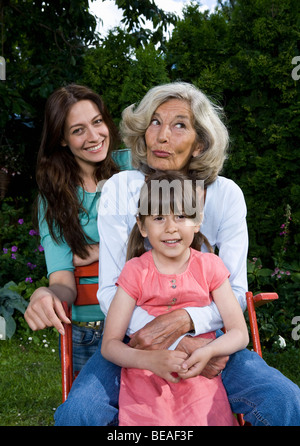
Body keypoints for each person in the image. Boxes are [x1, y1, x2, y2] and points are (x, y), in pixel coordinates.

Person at [54, 82, 300, 426]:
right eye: (154, 122)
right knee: (78, 414)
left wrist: (187, 326)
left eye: (179, 124)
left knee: (286, 400)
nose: (161, 136)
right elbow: (110, 291)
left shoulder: (225, 195)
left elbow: (237, 294)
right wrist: (171, 342)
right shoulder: (121, 189)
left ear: (200, 144)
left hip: (214, 340)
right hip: (131, 337)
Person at [101, 171, 249, 426]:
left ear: (198, 220)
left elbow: (239, 333)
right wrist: (149, 360)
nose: (171, 227)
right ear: (142, 226)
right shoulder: (136, 272)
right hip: (147, 375)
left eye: (181, 216)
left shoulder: (210, 267)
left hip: (200, 373)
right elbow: (110, 345)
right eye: (159, 218)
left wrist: (209, 351)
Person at [24, 84, 119, 372]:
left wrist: (99, 251)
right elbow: (64, 284)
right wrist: (45, 294)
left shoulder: (131, 168)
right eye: (78, 130)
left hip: (147, 319)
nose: (94, 137)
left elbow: (168, 235)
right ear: (63, 139)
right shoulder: (52, 200)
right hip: (91, 331)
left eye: (97, 122)